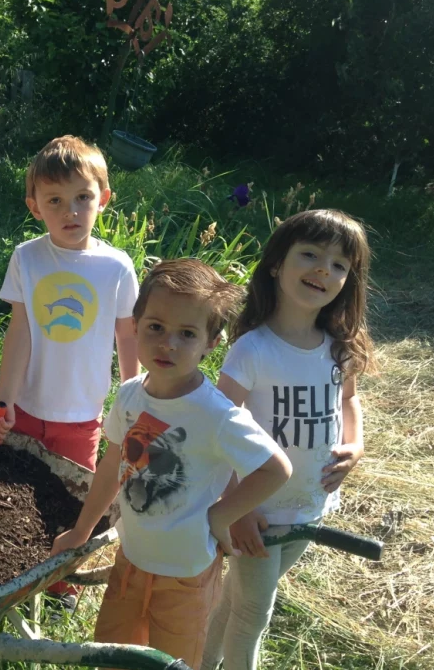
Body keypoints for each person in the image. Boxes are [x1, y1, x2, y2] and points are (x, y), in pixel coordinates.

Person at [51, 258, 292, 670]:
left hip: (186, 575)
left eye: (187, 333)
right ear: (135, 325)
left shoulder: (216, 415)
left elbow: (275, 469)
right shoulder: (130, 396)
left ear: (211, 342)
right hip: (130, 560)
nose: (169, 345)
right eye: (156, 328)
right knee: (114, 657)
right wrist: (82, 530)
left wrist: (221, 517)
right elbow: (112, 466)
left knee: (174, 663)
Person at [202, 209, 375, 670]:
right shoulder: (253, 349)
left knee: (238, 600)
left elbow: (349, 404)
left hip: (308, 505)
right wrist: (235, 507)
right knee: (255, 612)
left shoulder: (338, 346)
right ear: (277, 264)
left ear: (348, 281)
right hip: (257, 512)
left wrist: (355, 447)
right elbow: (218, 430)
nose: (324, 269)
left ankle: (199, 661)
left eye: (339, 264)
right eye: (311, 254)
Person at [0, 135, 139, 473]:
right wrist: (3, 398)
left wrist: (132, 403)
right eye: (55, 200)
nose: (71, 211)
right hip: (22, 409)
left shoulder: (117, 266)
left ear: (103, 199)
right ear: (34, 207)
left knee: (67, 497)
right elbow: (20, 329)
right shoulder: (27, 257)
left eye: (83, 197)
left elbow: (127, 336)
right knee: (5, 486)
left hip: (81, 419)